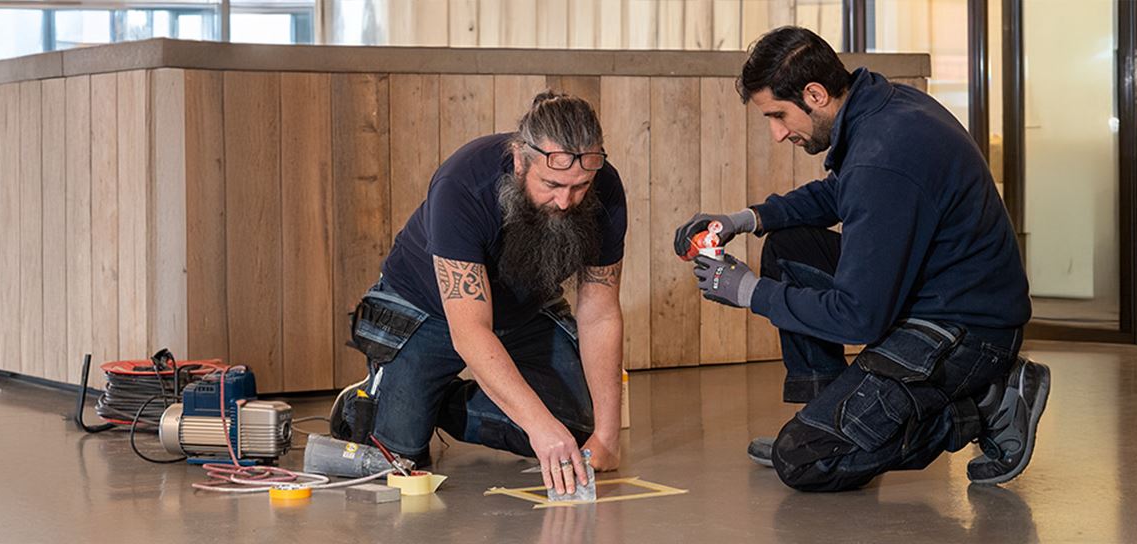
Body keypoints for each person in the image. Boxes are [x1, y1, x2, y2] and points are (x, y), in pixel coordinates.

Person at [675, 26, 1050, 491]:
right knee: (789, 245)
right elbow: (840, 191)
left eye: (778, 115)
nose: (776, 134)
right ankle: (823, 414)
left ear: (815, 94)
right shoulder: (883, 108)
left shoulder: (883, 155)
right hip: (938, 295)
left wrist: (750, 291)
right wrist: (748, 218)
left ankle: (985, 405)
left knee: (805, 460)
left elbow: (859, 318)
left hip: (966, 332)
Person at [331, 91, 626, 496]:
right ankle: (381, 399)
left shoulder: (604, 190)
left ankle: (439, 401)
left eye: (580, 187)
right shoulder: (463, 183)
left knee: (578, 434)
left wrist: (607, 437)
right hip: (428, 308)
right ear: (521, 159)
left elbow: (600, 312)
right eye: (552, 184)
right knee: (398, 457)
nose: (565, 201)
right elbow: (471, 331)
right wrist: (539, 428)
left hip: (524, 309)